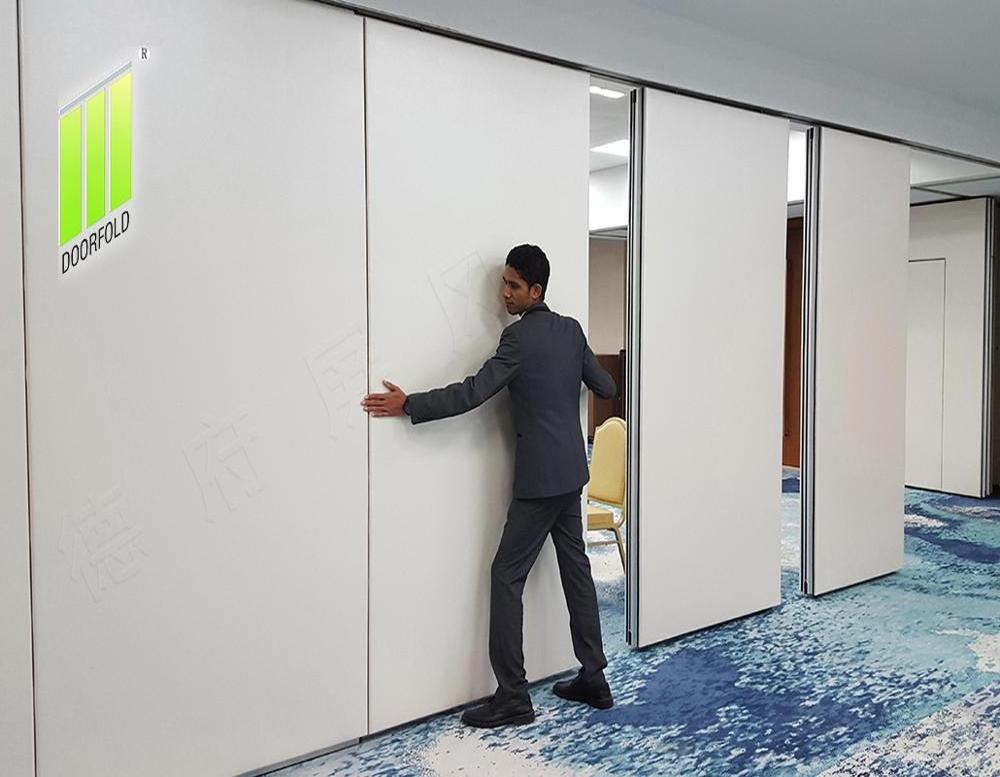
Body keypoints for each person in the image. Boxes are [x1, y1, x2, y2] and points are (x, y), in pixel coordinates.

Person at [361, 243, 617, 728]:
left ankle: (514, 697)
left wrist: (410, 404)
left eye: (513, 285)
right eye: (503, 283)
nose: (504, 293)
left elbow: (473, 393)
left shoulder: (518, 339)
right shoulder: (570, 331)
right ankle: (595, 677)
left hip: (539, 482)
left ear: (535, 290)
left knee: (506, 576)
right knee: (577, 572)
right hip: (570, 473)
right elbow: (605, 386)